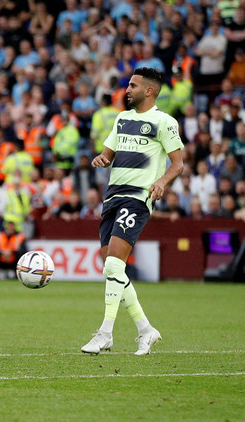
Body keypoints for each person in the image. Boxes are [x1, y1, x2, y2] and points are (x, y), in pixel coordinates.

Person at [82, 68, 184, 356]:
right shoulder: (122, 118)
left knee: (113, 265)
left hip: (137, 198)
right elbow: (108, 154)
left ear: (149, 91)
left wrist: (162, 181)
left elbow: (178, 163)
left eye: (132, 85)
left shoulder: (164, 122)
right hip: (112, 196)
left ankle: (105, 333)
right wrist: (101, 159)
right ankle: (146, 330)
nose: (127, 90)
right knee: (112, 269)